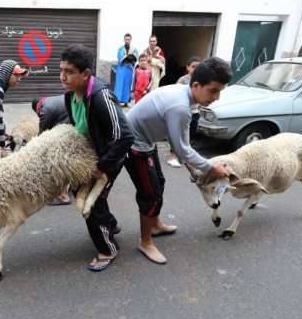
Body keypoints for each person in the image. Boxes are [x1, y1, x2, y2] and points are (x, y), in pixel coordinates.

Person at [123, 57, 232, 264]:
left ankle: (154, 225)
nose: (216, 97)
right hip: (134, 145)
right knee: (151, 195)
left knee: (159, 183)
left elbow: (178, 142)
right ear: (196, 85)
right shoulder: (180, 107)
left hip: (147, 140)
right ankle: (145, 242)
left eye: (220, 92)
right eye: (213, 91)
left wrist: (193, 163)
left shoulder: (183, 92)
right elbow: (183, 149)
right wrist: (211, 167)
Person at [60, 44, 135, 272]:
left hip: (113, 156)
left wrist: (102, 168)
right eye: (61, 70)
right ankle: (110, 224)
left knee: (93, 204)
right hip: (93, 156)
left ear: (86, 74)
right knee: (78, 192)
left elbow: (125, 136)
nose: (63, 76)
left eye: (69, 72)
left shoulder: (101, 97)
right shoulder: (70, 96)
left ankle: (107, 249)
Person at [31, 94, 72, 205]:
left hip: (69, 132)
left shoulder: (44, 109)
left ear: (37, 108)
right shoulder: (54, 100)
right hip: (77, 125)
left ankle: (63, 196)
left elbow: (42, 135)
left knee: (60, 162)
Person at [167, 56, 203, 167]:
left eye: (198, 67)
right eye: (193, 66)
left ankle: (184, 156)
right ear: (187, 67)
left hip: (195, 112)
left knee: (189, 136)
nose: (195, 69)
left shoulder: (202, 80)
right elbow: (176, 95)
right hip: (183, 112)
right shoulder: (183, 80)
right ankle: (172, 156)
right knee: (178, 134)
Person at [113, 33, 138, 106]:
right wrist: (129, 57)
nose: (127, 41)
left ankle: (127, 102)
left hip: (129, 70)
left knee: (127, 85)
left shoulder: (134, 49)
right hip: (121, 69)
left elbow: (135, 57)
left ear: (131, 40)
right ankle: (117, 101)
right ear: (124, 40)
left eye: (128, 39)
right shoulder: (120, 49)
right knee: (119, 85)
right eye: (126, 39)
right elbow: (121, 58)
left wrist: (128, 57)